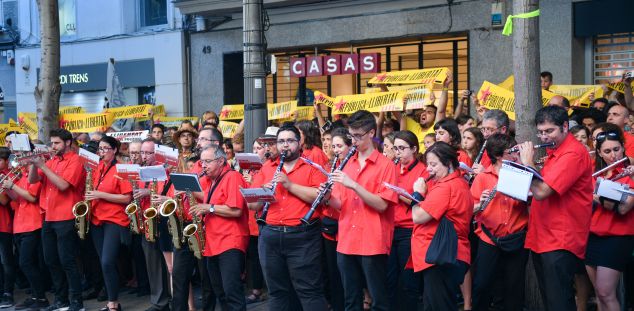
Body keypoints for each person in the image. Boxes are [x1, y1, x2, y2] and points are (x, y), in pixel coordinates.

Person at [516, 105, 593, 310]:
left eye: (549, 131)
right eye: (540, 132)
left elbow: (542, 191)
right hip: (545, 236)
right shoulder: (556, 151)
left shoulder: (572, 153)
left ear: (565, 127)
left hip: (561, 238)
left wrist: (527, 164)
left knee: (559, 301)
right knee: (551, 301)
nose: (543, 137)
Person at [248, 124, 328, 310]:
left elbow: (322, 198)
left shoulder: (312, 166)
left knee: (309, 291)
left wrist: (289, 185)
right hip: (270, 236)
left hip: (303, 236)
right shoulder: (268, 167)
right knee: (277, 292)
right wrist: (263, 192)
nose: (285, 145)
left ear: (299, 143)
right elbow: (252, 205)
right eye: (281, 141)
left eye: (290, 141)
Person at [325, 110, 398, 310]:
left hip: (373, 239)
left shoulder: (386, 165)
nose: (354, 141)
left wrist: (354, 185)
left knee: (379, 300)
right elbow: (340, 204)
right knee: (351, 299)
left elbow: (383, 205)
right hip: (347, 239)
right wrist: (326, 198)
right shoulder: (346, 162)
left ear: (372, 133)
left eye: (358, 136)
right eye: (352, 136)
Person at [28, 128, 86, 311]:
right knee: (51, 260)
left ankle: (77, 301)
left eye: (56, 143)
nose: (52, 146)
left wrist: (43, 165)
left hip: (67, 216)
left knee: (67, 260)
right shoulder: (51, 161)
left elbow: (62, 185)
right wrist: (33, 164)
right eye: (52, 143)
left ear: (68, 143)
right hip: (49, 216)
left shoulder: (76, 161)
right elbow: (32, 181)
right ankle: (61, 300)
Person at [470, 134, 529, 311]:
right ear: (498, 155)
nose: (516, 153)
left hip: (516, 238)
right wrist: (480, 202)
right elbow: (470, 210)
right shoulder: (483, 177)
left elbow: (534, 201)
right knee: (482, 284)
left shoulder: (522, 172)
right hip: (489, 239)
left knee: (514, 288)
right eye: (512, 151)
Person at [410, 142, 472, 310]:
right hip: (450, 253)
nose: (428, 169)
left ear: (449, 163)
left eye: (433, 164)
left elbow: (418, 216)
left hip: (441, 255)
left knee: (437, 305)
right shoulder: (460, 183)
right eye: (428, 164)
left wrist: (417, 194)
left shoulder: (446, 187)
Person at [190, 146, 249, 311]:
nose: (204, 166)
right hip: (213, 242)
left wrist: (208, 208)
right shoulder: (211, 181)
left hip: (230, 241)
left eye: (208, 162)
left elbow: (236, 210)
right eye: (202, 162)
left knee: (232, 293)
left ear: (221, 161)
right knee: (221, 292)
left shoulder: (233, 177)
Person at [586, 127, 634, 311]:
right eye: (607, 151)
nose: (613, 155)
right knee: (599, 293)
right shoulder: (595, 174)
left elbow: (624, 208)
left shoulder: (630, 175)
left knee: (607, 292)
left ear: (623, 148)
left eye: (616, 149)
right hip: (592, 235)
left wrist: (599, 198)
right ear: (599, 152)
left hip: (617, 237)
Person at [84, 136, 133, 311]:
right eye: (100, 149)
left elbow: (127, 198)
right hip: (97, 219)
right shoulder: (98, 168)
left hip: (114, 220)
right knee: (103, 262)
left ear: (114, 150)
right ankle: (112, 302)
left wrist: (99, 195)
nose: (101, 152)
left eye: (105, 148)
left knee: (107, 261)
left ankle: (113, 303)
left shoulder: (121, 168)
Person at [1, 146, 49, 311]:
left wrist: (12, 187)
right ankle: (35, 296)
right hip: (20, 225)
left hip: (32, 223)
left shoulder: (33, 177)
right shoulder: (20, 176)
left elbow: (31, 197)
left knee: (26, 263)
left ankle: (41, 298)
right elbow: (17, 199)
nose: (19, 160)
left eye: (22, 156)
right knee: (28, 263)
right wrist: (7, 187)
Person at [386, 130, 427, 310]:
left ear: (414, 149)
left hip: (409, 230)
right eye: (395, 148)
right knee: (389, 278)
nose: (398, 153)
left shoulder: (423, 171)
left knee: (408, 280)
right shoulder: (391, 167)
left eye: (402, 148)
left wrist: (395, 190)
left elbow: (417, 201)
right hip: (389, 228)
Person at [133, 139, 171, 311]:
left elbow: (168, 192)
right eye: (143, 152)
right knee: (153, 265)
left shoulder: (167, 170)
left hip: (163, 221)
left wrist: (148, 191)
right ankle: (159, 301)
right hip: (147, 221)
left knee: (169, 266)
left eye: (148, 153)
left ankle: (171, 300)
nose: (144, 156)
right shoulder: (141, 171)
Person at [321, 128, 351, 311]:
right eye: (334, 146)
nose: (335, 149)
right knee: (333, 271)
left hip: (347, 223)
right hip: (330, 223)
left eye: (339, 145)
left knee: (347, 274)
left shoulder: (352, 167)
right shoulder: (330, 165)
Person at [0, 148, 16, 308]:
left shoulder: (8, 176)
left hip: (4, 225)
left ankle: (8, 293)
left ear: (6, 161)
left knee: (6, 261)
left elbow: (4, 201)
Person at [472, 109, 510, 173]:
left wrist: (485, 172)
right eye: (483, 129)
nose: (485, 134)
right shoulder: (487, 146)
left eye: (490, 129)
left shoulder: (510, 151)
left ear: (503, 129)